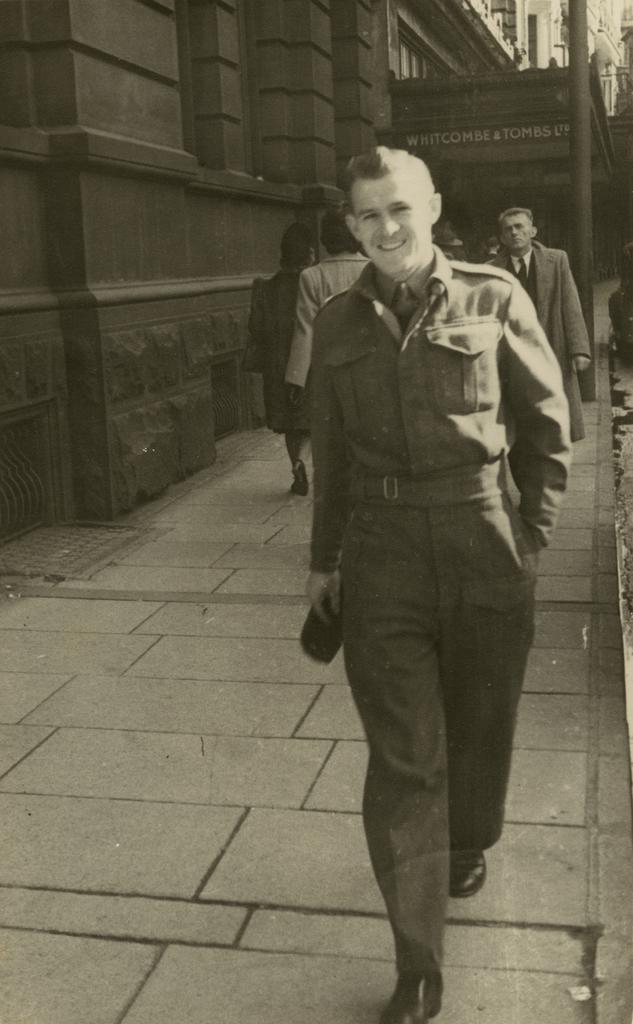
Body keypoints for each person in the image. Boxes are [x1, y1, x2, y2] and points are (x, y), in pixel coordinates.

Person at [306, 147, 571, 1024]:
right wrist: (324, 563)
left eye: (400, 211)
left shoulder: (493, 296)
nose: (387, 229)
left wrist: (528, 539)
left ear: (433, 209)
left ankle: (471, 837)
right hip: (381, 554)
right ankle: (417, 962)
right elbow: (332, 456)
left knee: (480, 723)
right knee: (405, 758)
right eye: (368, 215)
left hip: (482, 537)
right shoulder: (339, 323)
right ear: (350, 224)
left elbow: (544, 425)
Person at [492, 206, 592, 441]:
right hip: (511, 356)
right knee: (519, 415)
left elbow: (570, 305)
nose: (514, 233)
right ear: (502, 238)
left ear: (533, 231)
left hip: (551, 348)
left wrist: (579, 349)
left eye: (520, 227)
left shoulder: (556, 260)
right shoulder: (492, 270)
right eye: (508, 229)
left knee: (554, 412)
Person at [247, 222, 314, 495]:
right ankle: (303, 460)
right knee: (308, 420)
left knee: (289, 424)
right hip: (307, 360)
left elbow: (256, 327)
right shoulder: (311, 284)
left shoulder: (265, 288)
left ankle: (295, 468)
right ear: (308, 254)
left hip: (276, 365)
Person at [285, 205, 367, 394]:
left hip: (327, 370)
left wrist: (296, 380)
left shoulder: (311, 276)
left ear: (326, 237)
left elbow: (305, 330)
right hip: (367, 366)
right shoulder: (374, 270)